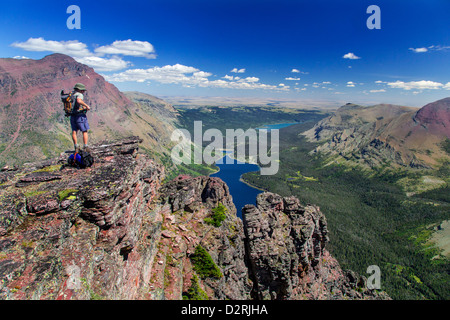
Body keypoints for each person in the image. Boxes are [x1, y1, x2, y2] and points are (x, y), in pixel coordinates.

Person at [70, 83, 91, 152]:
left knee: (74, 131)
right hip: (79, 116)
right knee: (84, 131)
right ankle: (85, 146)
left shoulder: (71, 94)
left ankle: (76, 146)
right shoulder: (79, 94)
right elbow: (79, 101)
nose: (83, 92)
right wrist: (86, 105)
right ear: (79, 89)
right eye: (82, 90)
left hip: (72, 115)